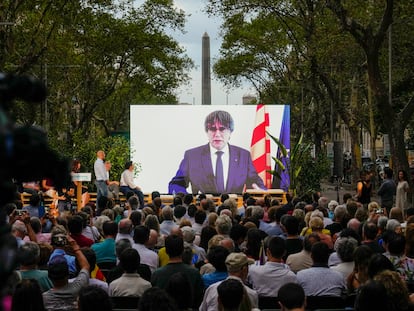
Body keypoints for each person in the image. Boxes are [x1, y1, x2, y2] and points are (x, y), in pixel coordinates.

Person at [168, 110, 266, 194]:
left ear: (230, 132)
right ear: (207, 131)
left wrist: (260, 191)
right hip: (203, 211)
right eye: (212, 129)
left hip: (234, 211)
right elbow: (176, 184)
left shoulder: (243, 156)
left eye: (222, 129)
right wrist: (185, 199)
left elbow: (256, 183)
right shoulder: (192, 156)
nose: (217, 134)